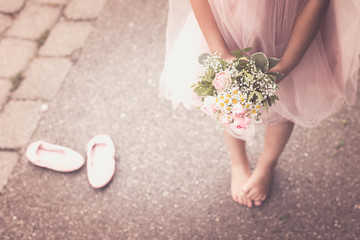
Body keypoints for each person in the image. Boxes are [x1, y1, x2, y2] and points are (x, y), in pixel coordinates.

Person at [160, 0, 360, 207]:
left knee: (287, 99)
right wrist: (221, 53)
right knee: (231, 99)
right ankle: (238, 162)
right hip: (229, 26)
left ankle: (267, 165)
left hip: (291, 30)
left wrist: (288, 63)